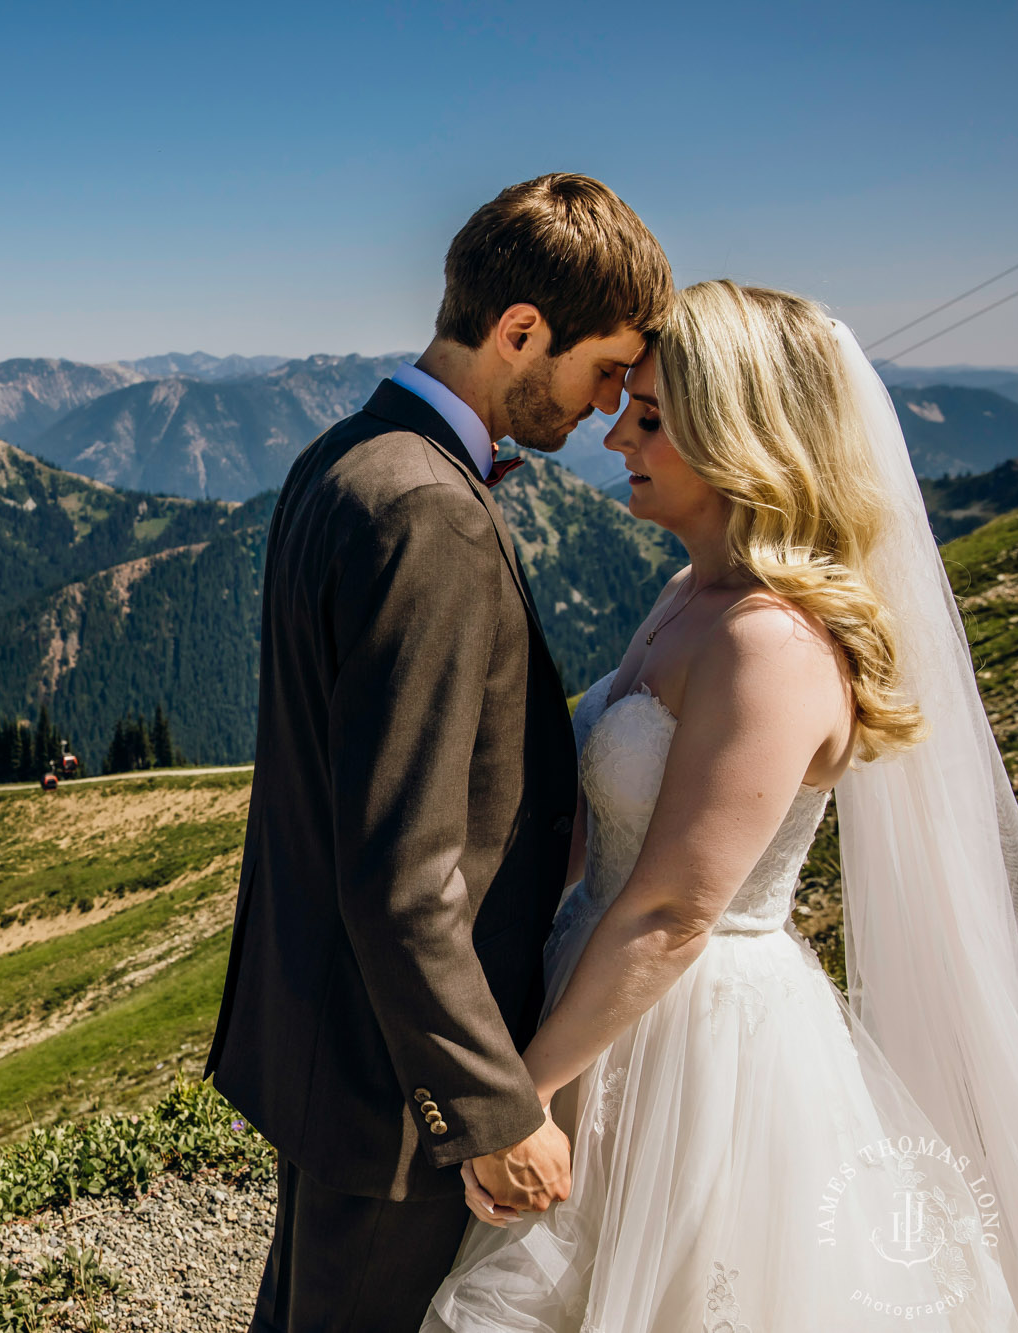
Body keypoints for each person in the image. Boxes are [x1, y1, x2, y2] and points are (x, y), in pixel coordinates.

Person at [425, 281, 1018, 1330]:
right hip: (595, 990)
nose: (614, 436)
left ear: (741, 439)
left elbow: (671, 913)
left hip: (689, 1038)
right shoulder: (685, 599)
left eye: (649, 419)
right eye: (625, 408)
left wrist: (513, 1100)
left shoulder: (767, 644)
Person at [204, 173, 672, 1331]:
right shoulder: (427, 507)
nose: (609, 402)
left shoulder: (346, 453)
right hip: (390, 1087)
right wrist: (492, 1110)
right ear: (519, 332)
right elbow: (403, 870)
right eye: (602, 367)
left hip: (330, 1039)